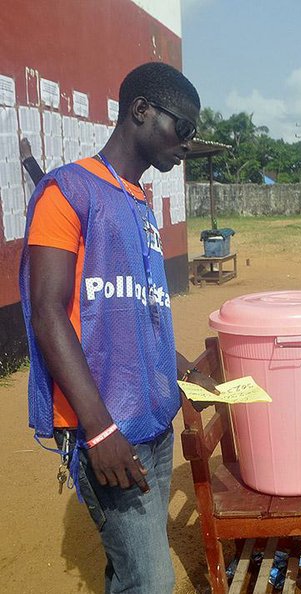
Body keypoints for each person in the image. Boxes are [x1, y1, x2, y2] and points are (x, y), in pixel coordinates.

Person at [19, 62, 214, 594]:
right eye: (184, 128)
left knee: (130, 571)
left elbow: (137, 315)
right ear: (141, 110)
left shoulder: (138, 203)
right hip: (105, 429)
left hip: (150, 420)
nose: (187, 143)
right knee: (151, 581)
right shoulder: (68, 193)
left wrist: (186, 371)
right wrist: (100, 429)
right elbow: (47, 312)